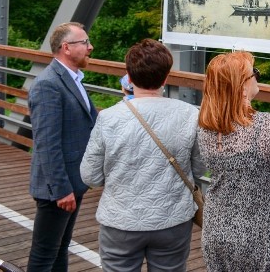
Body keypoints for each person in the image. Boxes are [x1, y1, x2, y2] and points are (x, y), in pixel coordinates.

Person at [80, 39, 205, 272]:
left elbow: (90, 176)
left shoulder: (108, 117)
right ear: (166, 77)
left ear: (129, 75)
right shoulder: (190, 114)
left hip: (121, 222)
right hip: (173, 219)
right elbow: (198, 169)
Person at [198, 51, 270, 272]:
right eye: (254, 74)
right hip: (261, 236)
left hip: (215, 229)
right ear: (241, 86)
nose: (257, 78)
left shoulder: (205, 127)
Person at [27, 22, 98, 272]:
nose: (90, 47)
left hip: (72, 182)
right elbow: (47, 144)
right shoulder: (48, 84)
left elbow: (89, 121)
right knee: (44, 254)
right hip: (57, 189)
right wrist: (61, 190)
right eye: (85, 42)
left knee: (60, 248)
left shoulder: (72, 78)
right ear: (66, 47)